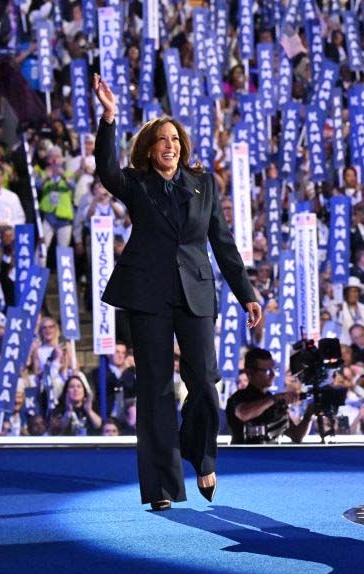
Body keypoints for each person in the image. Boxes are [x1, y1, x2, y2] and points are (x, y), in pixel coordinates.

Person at [93, 74, 262, 510]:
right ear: (150, 149)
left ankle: (201, 454)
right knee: (155, 390)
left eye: (175, 139)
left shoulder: (205, 185)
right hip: (146, 294)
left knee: (204, 383)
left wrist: (247, 294)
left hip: (196, 293)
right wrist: (110, 117)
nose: (170, 145)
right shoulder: (136, 183)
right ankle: (162, 488)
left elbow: (222, 242)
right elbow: (106, 171)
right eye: (161, 140)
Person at [226, 348, 315, 444]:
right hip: (244, 456)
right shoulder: (239, 397)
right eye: (267, 371)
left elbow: (296, 436)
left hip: (271, 456)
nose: (273, 375)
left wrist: (309, 415)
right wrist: (275, 399)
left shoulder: (274, 401)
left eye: (274, 369)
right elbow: (244, 413)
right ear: (249, 373)